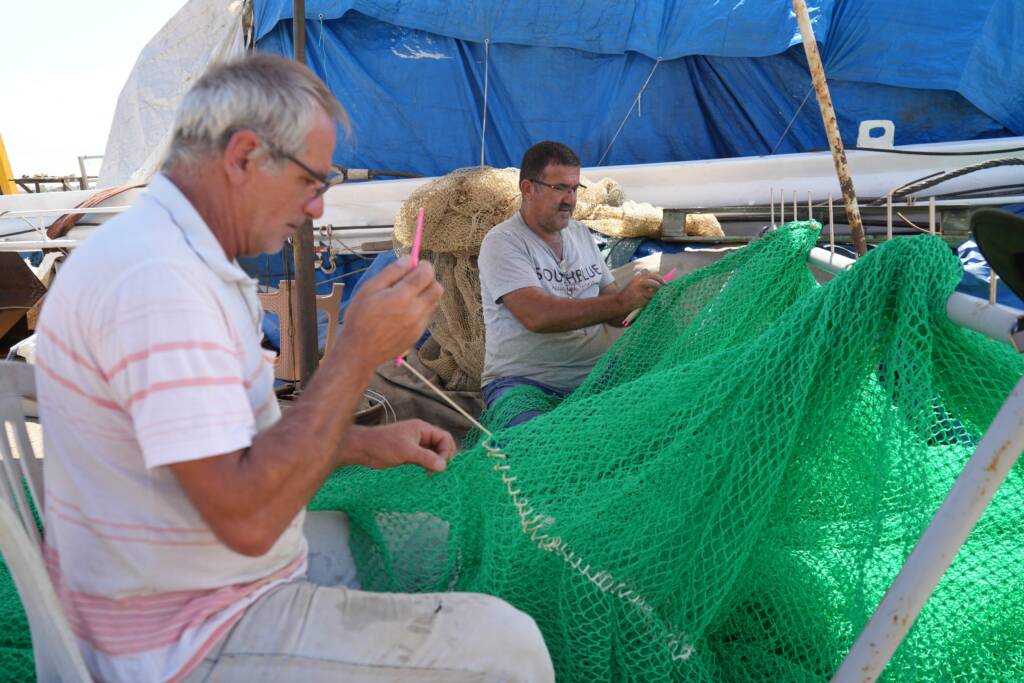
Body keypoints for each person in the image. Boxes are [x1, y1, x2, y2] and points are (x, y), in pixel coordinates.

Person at [35, 55, 553, 683]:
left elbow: (227, 450)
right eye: (313, 181)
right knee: (509, 645)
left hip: (194, 589)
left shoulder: (170, 256)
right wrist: (356, 352)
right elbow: (248, 520)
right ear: (245, 156)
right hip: (185, 639)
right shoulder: (159, 281)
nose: (315, 209)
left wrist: (355, 441)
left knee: (438, 543)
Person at [478, 141, 663, 424]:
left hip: (596, 378)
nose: (570, 199)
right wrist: (621, 301)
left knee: (658, 424)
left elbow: (616, 316)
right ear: (528, 189)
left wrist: (644, 301)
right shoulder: (502, 242)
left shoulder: (580, 234)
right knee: (536, 447)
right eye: (560, 188)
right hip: (523, 385)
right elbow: (537, 316)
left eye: (575, 188)